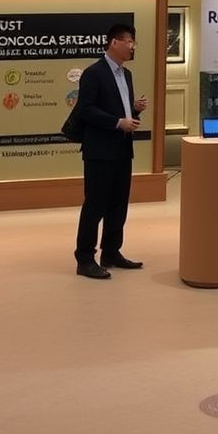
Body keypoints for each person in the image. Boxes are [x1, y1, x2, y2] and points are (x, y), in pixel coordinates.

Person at [74, 22, 147, 279]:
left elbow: (118, 108)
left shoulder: (126, 75)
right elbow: (86, 109)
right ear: (114, 42)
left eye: (133, 42)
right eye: (129, 41)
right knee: (95, 205)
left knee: (118, 203)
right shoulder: (93, 73)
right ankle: (85, 258)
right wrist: (117, 122)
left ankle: (111, 252)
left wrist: (134, 110)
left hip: (122, 148)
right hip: (99, 150)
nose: (132, 47)